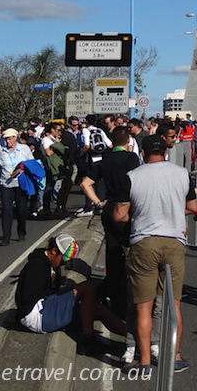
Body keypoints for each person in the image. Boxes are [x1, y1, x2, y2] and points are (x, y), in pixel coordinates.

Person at [114, 134, 196, 372]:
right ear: (166, 152)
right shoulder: (182, 174)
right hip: (174, 240)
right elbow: (192, 207)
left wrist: (142, 213)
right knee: (174, 304)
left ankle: (145, 361)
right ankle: (176, 356)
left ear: (143, 153)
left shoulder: (132, 177)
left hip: (144, 242)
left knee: (143, 306)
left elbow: (119, 215)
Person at [15, 233, 126, 356]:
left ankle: (135, 337)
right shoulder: (36, 265)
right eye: (63, 260)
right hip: (37, 315)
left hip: (46, 308)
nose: (63, 264)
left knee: (98, 310)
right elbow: (27, 298)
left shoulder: (52, 264)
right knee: (87, 287)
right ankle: (88, 341)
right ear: (53, 251)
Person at [83, 125, 140, 321]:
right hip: (126, 208)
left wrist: (98, 202)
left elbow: (85, 184)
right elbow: (137, 182)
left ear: (112, 141)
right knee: (132, 254)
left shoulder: (105, 161)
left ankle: (115, 302)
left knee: (113, 253)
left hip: (109, 207)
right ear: (127, 141)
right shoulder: (131, 159)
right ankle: (129, 302)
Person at [0, 129, 34, 246]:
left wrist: (24, 169)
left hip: (20, 184)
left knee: (21, 210)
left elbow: (31, 163)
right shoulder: (1, 151)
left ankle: (21, 231)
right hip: (6, 184)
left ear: (15, 138)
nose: (8, 141)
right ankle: (6, 236)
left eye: (10, 138)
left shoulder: (24, 149)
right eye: (6, 139)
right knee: (6, 210)